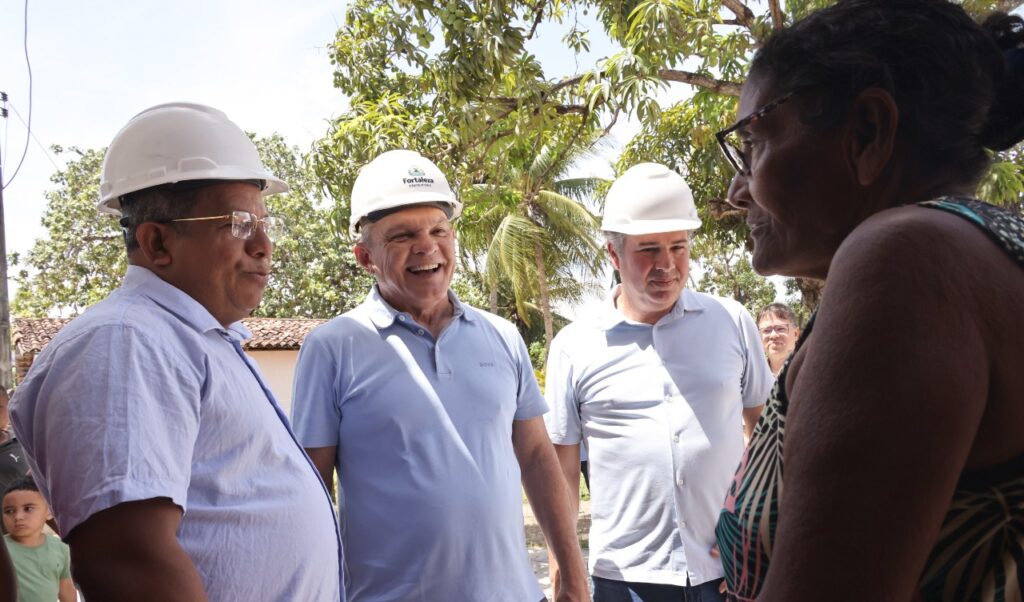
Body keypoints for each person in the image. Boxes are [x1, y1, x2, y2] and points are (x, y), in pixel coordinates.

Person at [714, 2, 1024, 600]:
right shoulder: (983, 249)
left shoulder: (907, 258)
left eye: (753, 143)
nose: (735, 191)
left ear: (867, 133)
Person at [10, 103, 343, 602]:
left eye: (264, 223)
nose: (264, 245)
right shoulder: (125, 342)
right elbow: (129, 560)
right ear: (157, 241)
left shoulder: (195, 340)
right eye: (238, 222)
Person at [290, 149, 589, 602]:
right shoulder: (333, 347)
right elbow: (311, 489)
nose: (426, 246)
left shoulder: (501, 337)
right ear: (364, 256)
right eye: (402, 236)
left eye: (438, 230)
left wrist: (573, 574)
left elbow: (536, 456)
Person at [544, 163, 773, 602]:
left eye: (678, 247)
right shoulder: (575, 346)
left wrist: (757, 545)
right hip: (625, 579)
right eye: (648, 250)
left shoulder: (731, 321)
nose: (666, 265)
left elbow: (765, 437)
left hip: (726, 572)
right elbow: (562, 475)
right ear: (613, 255)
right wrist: (564, 580)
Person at [2, 477, 74, 602]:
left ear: (49, 512)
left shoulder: (60, 548)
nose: (18, 517)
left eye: (28, 509)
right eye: (9, 511)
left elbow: (66, 588)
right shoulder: (2, 549)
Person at [755, 303, 800, 377]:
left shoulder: (811, 370)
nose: (773, 335)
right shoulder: (753, 377)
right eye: (766, 330)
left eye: (780, 329)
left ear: (796, 334)